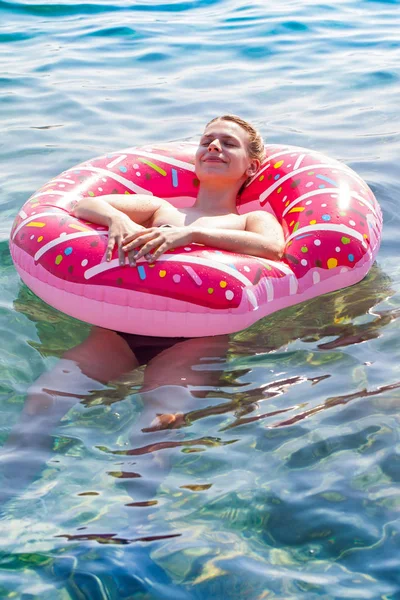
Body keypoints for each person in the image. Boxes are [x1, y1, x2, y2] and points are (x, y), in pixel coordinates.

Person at [0, 116, 284, 509]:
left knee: (159, 420)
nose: (214, 147)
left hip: (195, 337)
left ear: (252, 166)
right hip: (122, 330)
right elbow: (85, 204)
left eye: (228, 143)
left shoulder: (249, 219)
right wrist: (118, 218)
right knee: (43, 397)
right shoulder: (159, 209)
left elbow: (272, 248)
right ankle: (7, 499)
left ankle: (134, 527)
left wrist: (195, 234)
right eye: (207, 140)